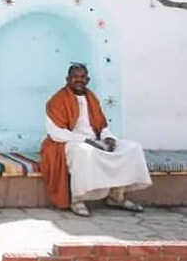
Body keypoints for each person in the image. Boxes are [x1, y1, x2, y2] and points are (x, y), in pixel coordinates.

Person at [40, 63, 152, 217]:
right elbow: (56, 133)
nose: (79, 80)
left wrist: (108, 138)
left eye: (82, 77)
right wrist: (86, 140)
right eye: (75, 77)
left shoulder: (91, 98)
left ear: (88, 79)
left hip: (94, 141)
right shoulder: (57, 100)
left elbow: (102, 125)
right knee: (84, 152)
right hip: (67, 142)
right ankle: (77, 200)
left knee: (132, 148)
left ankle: (116, 196)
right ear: (68, 79)